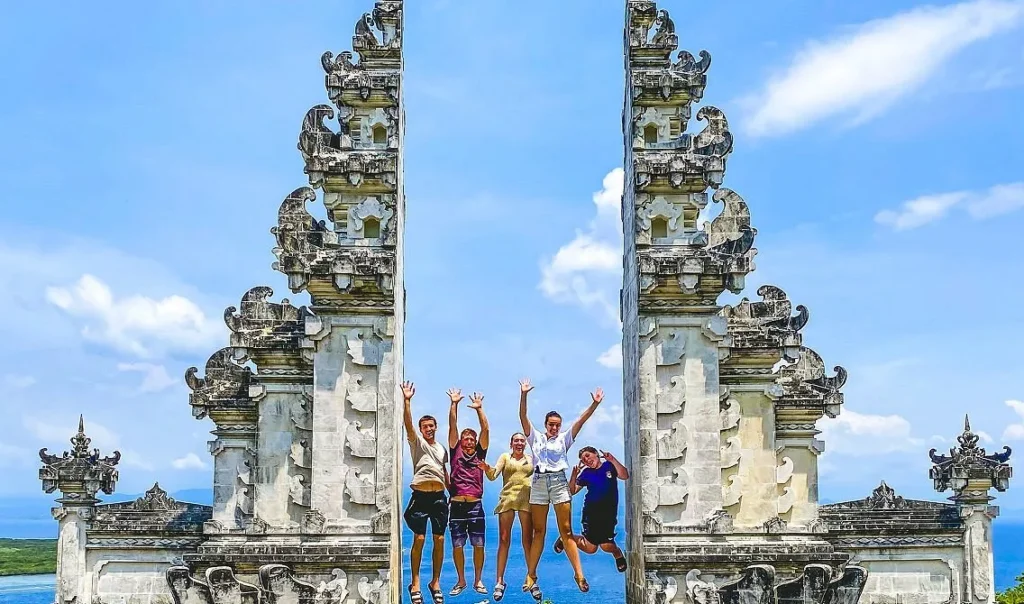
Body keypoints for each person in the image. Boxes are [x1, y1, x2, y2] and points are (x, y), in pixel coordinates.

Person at [518, 377, 604, 600]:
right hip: (538, 483)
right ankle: (531, 574)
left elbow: (581, 421)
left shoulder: (564, 439)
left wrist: (594, 404)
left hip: (558, 483)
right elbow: (522, 417)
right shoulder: (535, 437)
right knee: (539, 532)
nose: (554, 427)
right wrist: (524, 394)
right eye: (551, 424)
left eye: (557, 424)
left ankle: (579, 574)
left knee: (566, 530)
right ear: (546, 424)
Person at [401, 381, 449, 604]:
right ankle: (416, 582)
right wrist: (407, 400)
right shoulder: (417, 442)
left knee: (439, 540)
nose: (429, 429)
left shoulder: (441, 449)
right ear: (421, 430)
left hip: (439, 497)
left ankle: (435, 582)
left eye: (431, 426)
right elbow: (408, 424)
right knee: (419, 538)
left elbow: (445, 472)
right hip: (420, 496)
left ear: (436, 427)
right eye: (425, 426)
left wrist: (454, 494)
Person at [477, 432, 534, 601]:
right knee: (503, 539)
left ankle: (531, 577)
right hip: (508, 499)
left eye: (522, 441)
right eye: (516, 440)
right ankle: (499, 581)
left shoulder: (531, 458)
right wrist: (487, 469)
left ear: (525, 444)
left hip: (526, 500)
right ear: (511, 443)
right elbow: (493, 475)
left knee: (527, 541)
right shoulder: (505, 457)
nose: (519, 443)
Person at [554, 446, 629, 573]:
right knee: (590, 549)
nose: (586, 460)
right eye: (583, 460)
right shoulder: (586, 473)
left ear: (596, 454)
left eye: (588, 456)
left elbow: (624, 475)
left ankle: (617, 553)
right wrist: (574, 476)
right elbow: (571, 491)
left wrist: (613, 459)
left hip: (608, 515)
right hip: (591, 515)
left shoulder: (609, 466)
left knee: (607, 546)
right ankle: (565, 538)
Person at [446, 388, 490, 596]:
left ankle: (478, 580)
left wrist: (479, 409)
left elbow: (486, 431)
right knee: (457, 545)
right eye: (466, 438)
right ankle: (461, 580)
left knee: (478, 544)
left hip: (475, 504)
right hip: (456, 505)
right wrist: (454, 404)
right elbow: (452, 426)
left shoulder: (480, 453)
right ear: (461, 441)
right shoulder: (455, 451)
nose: (469, 441)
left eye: (472, 438)